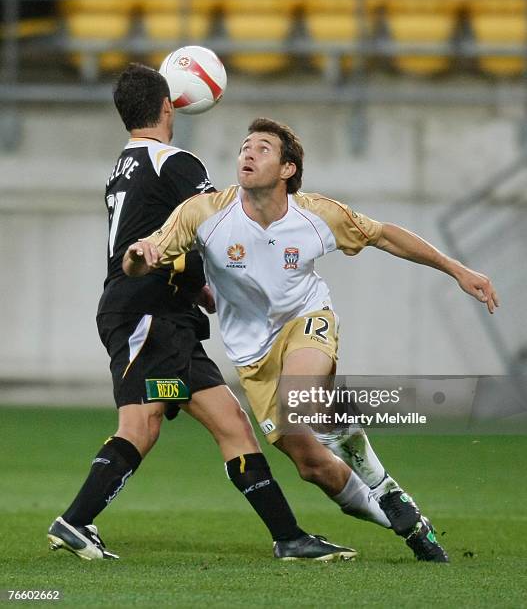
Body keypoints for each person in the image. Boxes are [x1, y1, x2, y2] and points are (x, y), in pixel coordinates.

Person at [124, 117, 500, 563]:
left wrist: (458, 269)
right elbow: (140, 262)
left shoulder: (317, 215)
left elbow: (384, 235)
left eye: (263, 148)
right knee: (314, 466)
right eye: (245, 146)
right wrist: (137, 257)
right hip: (252, 355)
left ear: (287, 169)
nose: (247, 153)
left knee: (301, 397)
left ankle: (378, 481)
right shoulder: (203, 213)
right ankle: (406, 519)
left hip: (306, 320)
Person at [47, 67, 356, 562]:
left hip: (166, 319)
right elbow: (214, 224)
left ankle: (290, 538)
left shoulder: (124, 165)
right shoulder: (176, 163)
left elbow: (166, 237)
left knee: (232, 423)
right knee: (141, 425)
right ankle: (75, 521)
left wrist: (196, 289)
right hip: (149, 316)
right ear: (170, 108)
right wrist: (211, 284)